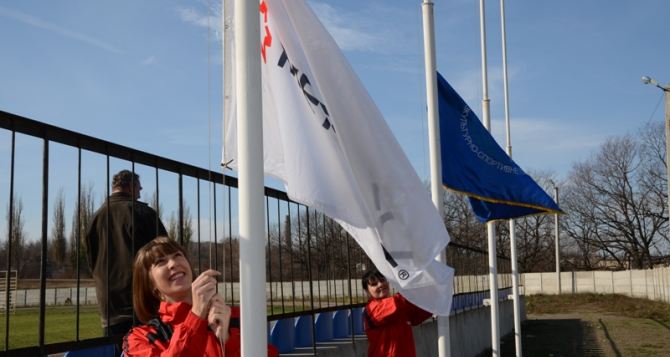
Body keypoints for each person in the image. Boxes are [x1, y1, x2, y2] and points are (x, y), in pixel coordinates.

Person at [123, 236, 279, 357]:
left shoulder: (233, 316)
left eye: (178, 255)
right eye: (160, 262)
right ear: (150, 284)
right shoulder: (140, 337)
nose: (173, 264)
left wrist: (227, 340)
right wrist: (196, 316)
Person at [85, 170, 168, 341]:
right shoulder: (143, 213)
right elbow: (166, 253)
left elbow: (91, 262)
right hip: (143, 301)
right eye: (139, 186)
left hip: (110, 305)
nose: (141, 189)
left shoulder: (95, 218)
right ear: (130, 186)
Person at [362, 268, 433, 357]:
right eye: (374, 284)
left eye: (382, 280)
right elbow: (399, 302)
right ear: (367, 291)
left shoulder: (399, 305)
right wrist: (414, 285)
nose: (380, 284)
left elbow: (420, 314)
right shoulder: (372, 309)